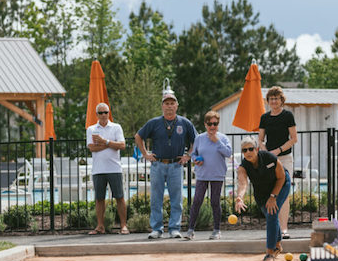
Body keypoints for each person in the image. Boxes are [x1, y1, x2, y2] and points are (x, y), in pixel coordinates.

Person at [135, 90, 197, 239]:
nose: (169, 106)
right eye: (166, 103)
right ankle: (157, 229)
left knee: (176, 198)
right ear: (162, 106)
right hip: (158, 165)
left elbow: (196, 139)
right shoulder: (154, 122)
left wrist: (188, 155)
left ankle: (174, 228)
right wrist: (145, 154)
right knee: (156, 198)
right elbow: (138, 136)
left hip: (176, 165)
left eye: (172, 103)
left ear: (177, 106)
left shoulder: (185, 123)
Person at [235, 136, 291, 261]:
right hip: (261, 192)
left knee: (272, 212)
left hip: (280, 185)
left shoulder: (269, 158)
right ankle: (277, 244)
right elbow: (243, 184)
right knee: (270, 214)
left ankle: (270, 252)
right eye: (244, 150)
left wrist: (273, 197)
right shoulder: (243, 167)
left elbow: (281, 178)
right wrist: (239, 198)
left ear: (257, 149)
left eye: (251, 149)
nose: (248, 152)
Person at [185, 111, 232, 240]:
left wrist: (217, 141)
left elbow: (228, 153)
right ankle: (190, 231)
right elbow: (193, 154)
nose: (212, 126)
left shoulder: (222, 138)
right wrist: (195, 159)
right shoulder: (199, 138)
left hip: (217, 175)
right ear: (205, 124)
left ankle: (217, 230)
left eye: (215, 124)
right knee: (197, 201)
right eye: (210, 124)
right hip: (202, 175)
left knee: (214, 202)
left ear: (218, 124)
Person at [258, 86, 297, 239]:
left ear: (282, 100)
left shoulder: (288, 116)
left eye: (277, 98)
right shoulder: (265, 118)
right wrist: (266, 151)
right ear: (268, 101)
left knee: (284, 193)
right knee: (271, 194)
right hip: (269, 160)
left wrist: (278, 151)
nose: (274, 101)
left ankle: (284, 229)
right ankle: (274, 229)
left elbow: (294, 139)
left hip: (285, 158)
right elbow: (260, 139)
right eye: (271, 99)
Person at [86, 102, 129, 235]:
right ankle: (100, 226)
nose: (104, 115)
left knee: (120, 197)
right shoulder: (91, 129)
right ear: (96, 114)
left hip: (114, 168)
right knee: (99, 199)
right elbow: (91, 148)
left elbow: (122, 145)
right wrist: (111, 144)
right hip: (98, 169)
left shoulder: (116, 127)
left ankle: (123, 226)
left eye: (106, 112)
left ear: (109, 113)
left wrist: (104, 141)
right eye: (101, 113)